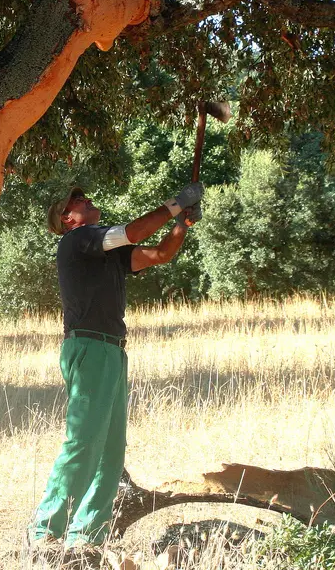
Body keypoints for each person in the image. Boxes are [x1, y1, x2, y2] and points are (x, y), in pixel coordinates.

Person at [29, 183, 204, 553]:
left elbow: (158, 254)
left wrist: (183, 224)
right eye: (77, 200)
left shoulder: (106, 252)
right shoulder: (79, 241)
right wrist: (176, 204)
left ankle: (86, 538)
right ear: (67, 219)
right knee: (82, 442)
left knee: (111, 450)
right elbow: (134, 231)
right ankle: (45, 530)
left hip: (111, 350)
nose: (87, 200)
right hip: (89, 345)